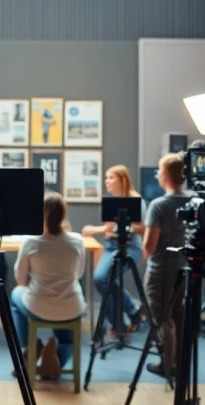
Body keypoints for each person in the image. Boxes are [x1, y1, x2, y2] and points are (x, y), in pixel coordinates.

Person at [11, 192, 86, 380]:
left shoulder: (30, 241)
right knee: (67, 340)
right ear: (63, 214)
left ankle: (31, 347)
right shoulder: (77, 240)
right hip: (72, 306)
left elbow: (20, 279)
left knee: (16, 295)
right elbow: (78, 274)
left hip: (38, 306)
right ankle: (56, 359)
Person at [142, 153, 190, 378]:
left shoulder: (159, 205)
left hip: (160, 271)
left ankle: (166, 365)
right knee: (178, 317)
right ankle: (179, 364)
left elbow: (149, 246)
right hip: (184, 268)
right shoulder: (193, 201)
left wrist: (143, 255)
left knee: (162, 318)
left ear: (166, 175)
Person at [82, 165, 145, 334]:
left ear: (122, 180)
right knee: (103, 280)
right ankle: (129, 314)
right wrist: (110, 229)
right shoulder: (111, 201)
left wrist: (121, 226)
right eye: (106, 178)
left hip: (130, 247)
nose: (107, 181)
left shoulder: (135, 200)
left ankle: (122, 321)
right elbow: (109, 229)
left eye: (111, 178)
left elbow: (142, 228)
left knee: (102, 279)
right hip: (111, 246)